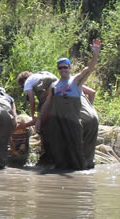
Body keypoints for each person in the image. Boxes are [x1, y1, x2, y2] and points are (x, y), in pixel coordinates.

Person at [38, 39, 101, 170]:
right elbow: (47, 103)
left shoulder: (76, 81)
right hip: (58, 126)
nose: (63, 70)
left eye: (65, 67)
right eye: (60, 68)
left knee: (77, 155)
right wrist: (38, 119)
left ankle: (81, 176)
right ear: (58, 69)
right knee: (60, 155)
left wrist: (95, 53)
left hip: (73, 125)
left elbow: (89, 69)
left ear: (70, 68)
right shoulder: (54, 86)